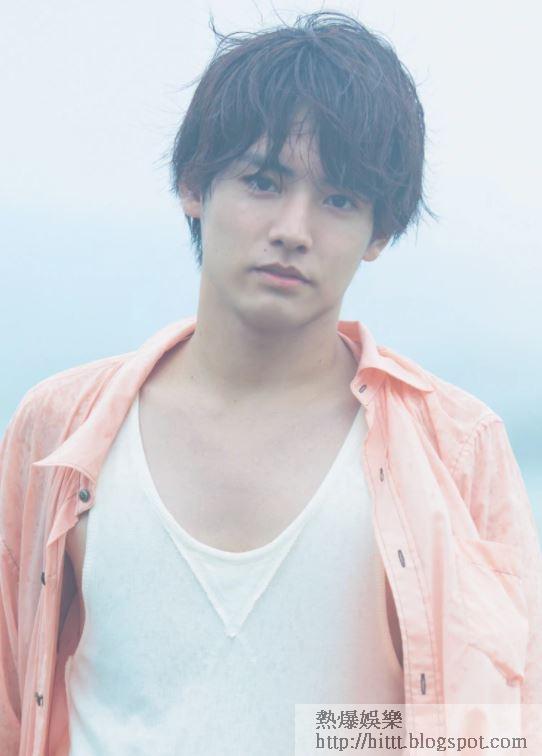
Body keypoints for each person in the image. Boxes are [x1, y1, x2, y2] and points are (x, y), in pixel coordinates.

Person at [1, 10, 541, 756]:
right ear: (194, 185)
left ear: (380, 233)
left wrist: (335, 734)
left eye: (339, 199)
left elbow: (499, 726)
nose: (294, 228)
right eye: (263, 181)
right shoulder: (59, 429)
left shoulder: (455, 447)